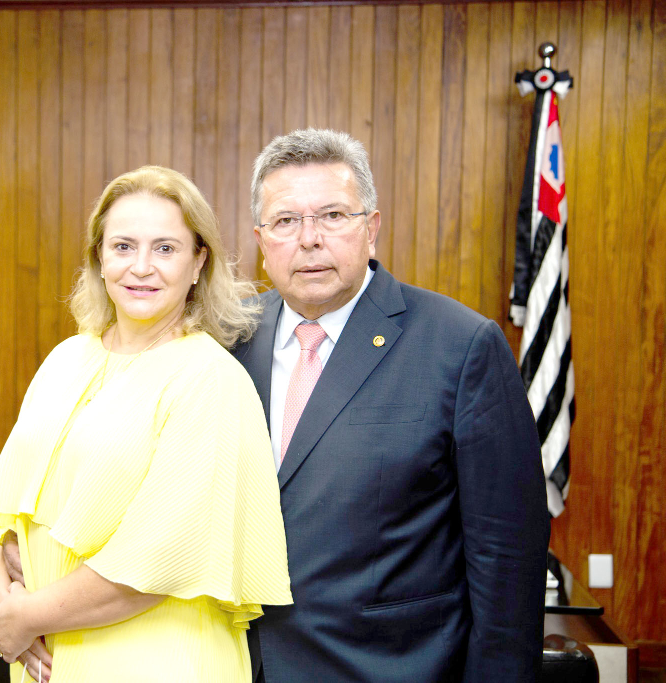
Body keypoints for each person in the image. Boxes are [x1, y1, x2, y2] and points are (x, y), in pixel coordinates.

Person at [232, 129, 551, 682]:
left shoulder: (460, 345)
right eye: (286, 221)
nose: (309, 239)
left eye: (333, 215)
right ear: (262, 239)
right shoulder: (226, 342)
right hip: (239, 664)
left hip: (390, 667)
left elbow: (507, 561)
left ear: (371, 228)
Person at [0, 165, 292, 683]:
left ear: (198, 263)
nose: (141, 266)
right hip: (45, 654)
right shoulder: (67, 358)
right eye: (123, 246)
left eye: (165, 248)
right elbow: (0, 505)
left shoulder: (210, 378)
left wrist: (24, 617)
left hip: (158, 661)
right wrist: (3, 602)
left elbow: (158, 559)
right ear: (99, 258)